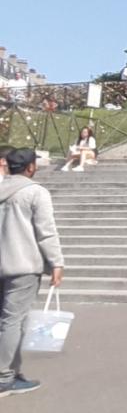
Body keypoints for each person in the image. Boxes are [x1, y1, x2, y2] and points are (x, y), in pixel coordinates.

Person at [0, 148, 64, 398]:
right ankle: (5, 377)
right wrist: (56, 263)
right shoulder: (35, 192)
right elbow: (46, 232)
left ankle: (12, 372)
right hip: (22, 265)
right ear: (30, 167)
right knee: (13, 321)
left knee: (5, 321)